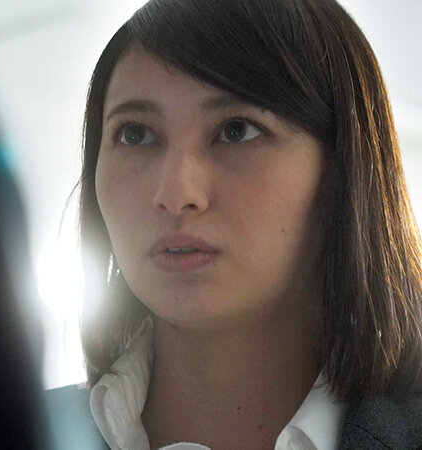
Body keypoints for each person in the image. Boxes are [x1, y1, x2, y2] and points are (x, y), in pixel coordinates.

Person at [46, 0, 422, 449]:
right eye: (136, 134)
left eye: (237, 130)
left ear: (343, 169)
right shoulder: (1, 429)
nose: (176, 194)